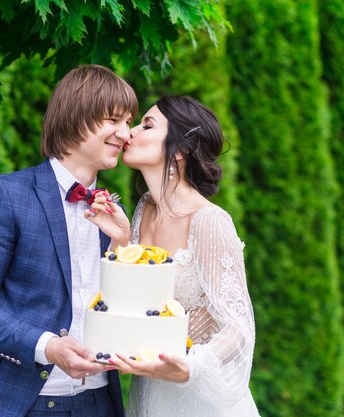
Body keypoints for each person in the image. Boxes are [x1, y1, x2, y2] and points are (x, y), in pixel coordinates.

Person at [0, 65, 137, 417]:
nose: (125, 133)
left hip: (98, 405)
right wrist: (46, 347)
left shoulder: (113, 216)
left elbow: (122, 314)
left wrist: (122, 243)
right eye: (113, 120)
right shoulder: (3, 193)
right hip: (10, 404)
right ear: (77, 118)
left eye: (128, 122)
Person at [87, 96, 261, 416]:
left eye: (147, 125)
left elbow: (238, 327)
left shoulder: (209, 220)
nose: (130, 133)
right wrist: (121, 240)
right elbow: (131, 301)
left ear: (180, 151)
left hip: (199, 399)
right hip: (150, 392)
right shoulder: (143, 209)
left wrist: (189, 367)